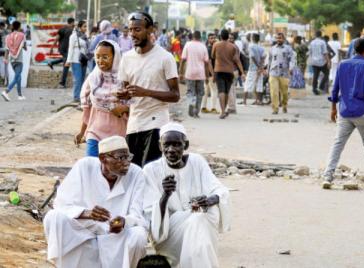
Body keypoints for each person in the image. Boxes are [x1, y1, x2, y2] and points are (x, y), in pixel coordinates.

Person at [43, 136, 148, 268]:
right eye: (121, 158)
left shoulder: (136, 173)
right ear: (103, 158)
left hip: (118, 234)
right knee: (53, 217)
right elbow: (61, 204)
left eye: (128, 157)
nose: (126, 162)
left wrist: (124, 221)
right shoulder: (84, 166)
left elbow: (138, 215)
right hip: (85, 230)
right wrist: (87, 213)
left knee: (138, 235)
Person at [143, 122, 231, 268]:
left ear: (186, 145)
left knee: (202, 217)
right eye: (167, 145)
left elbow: (220, 191)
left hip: (199, 224)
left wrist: (208, 201)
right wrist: (165, 195)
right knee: (198, 219)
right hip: (170, 234)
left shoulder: (197, 162)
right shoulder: (150, 170)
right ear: (160, 146)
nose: (171, 150)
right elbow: (150, 214)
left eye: (177, 144)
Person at [117, 12, 180, 167]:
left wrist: (146, 92)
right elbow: (124, 91)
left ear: (150, 29)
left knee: (149, 171)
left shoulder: (165, 58)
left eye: (137, 29)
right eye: (130, 30)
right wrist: (123, 94)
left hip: (156, 122)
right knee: (133, 171)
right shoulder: (126, 58)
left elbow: (175, 95)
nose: (132, 34)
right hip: (134, 123)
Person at [322, 39, 364, 188]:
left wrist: (333, 108)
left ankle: (327, 176)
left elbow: (335, 89)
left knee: (338, 144)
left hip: (344, 111)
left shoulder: (343, 65)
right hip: (362, 111)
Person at [75, 40, 129, 157]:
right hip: (95, 131)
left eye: (105, 57)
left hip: (118, 134)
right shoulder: (93, 78)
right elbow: (87, 109)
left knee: (112, 171)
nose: (100, 61)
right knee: (91, 165)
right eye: (98, 57)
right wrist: (82, 132)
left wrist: (124, 108)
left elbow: (136, 104)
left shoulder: (125, 79)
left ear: (115, 57)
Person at [211, 29, 244, 119]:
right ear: (227, 37)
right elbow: (237, 60)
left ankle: (222, 111)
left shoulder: (216, 45)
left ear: (220, 36)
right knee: (226, 91)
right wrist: (242, 73)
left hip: (219, 70)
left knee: (221, 91)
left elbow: (213, 56)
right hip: (229, 71)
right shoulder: (233, 47)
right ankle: (224, 110)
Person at [179, 30, 212, 118]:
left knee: (191, 92)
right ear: (200, 37)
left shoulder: (187, 45)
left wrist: (180, 73)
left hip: (190, 73)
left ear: (192, 36)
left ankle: (191, 107)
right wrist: (207, 76)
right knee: (200, 93)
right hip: (200, 74)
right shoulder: (203, 46)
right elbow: (206, 63)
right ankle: (196, 112)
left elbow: (183, 60)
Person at [269, 32, 295, 114]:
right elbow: (270, 60)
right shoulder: (272, 49)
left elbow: (292, 59)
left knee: (284, 93)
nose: (278, 39)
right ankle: (275, 108)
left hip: (284, 73)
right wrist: (267, 71)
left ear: (283, 39)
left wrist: (291, 68)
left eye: (280, 38)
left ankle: (284, 105)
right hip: (273, 72)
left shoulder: (288, 48)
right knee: (274, 92)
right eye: (277, 38)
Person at [1, 21, 26, 101]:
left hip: (12, 60)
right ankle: (6, 91)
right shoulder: (22, 35)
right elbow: (24, 47)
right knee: (17, 77)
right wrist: (24, 47)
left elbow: (7, 49)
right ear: (19, 27)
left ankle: (20, 95)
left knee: (18, 76)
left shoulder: (8, 37)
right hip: (19, 60)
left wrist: (5, 58)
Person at [66, 20, 89, 103]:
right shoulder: (73, 36)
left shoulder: (85, 36)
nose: (86, 28)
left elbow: (87, 48)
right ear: (79, 27)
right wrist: (68, 61)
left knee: (82, 79)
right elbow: (70, 49)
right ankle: (76, 97)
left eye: (86, 26)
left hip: (84, 60)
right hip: (76, 60)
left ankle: (81, 96)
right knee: (78, 79)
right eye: (84, 26)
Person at [48, 17, 74, 88]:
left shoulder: (63, 29)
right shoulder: (70, 30)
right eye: (73, 23)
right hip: (65, 50)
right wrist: (52, 47)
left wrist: (52, 47)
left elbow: (57, 38)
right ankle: (62, 83)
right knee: (66, 65)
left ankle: (52, 63)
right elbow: (57, 38)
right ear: (72, 23)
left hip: (63, 49)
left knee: (66, 60)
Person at [242, 33, 265, 105]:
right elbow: (263, 57)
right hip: (259, 69)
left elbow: (252, 57)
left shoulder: (251, 46)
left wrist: (258, 66)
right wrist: (260, 67)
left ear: (252, 38)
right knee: (258, 84)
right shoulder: (261, 47)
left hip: (252, 68)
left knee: (247, 84)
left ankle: (244, 101)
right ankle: (258, 101)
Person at [201, 33, 219, 114]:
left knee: (206, 91)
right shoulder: (209, 49)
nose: (213, 39)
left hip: (206, 73)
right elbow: (209, 63)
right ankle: (213, 108)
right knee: (214, 91)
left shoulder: (207, 48)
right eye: (211, 38)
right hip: (210, 73)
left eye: (214, 38)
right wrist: (213, 74)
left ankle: (203, 107)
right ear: (208, 39)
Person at [308, 30, 330, 95]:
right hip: (321, 62)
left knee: (315, 75)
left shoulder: (312, 42)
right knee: (326, 74)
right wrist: (328, 61)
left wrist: (310, 60)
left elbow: (310, 52)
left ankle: (314, 89)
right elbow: (325, 53)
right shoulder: (322, 42)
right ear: (321, 35)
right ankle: (321, 87)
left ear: (315, 35)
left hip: (314, 62)